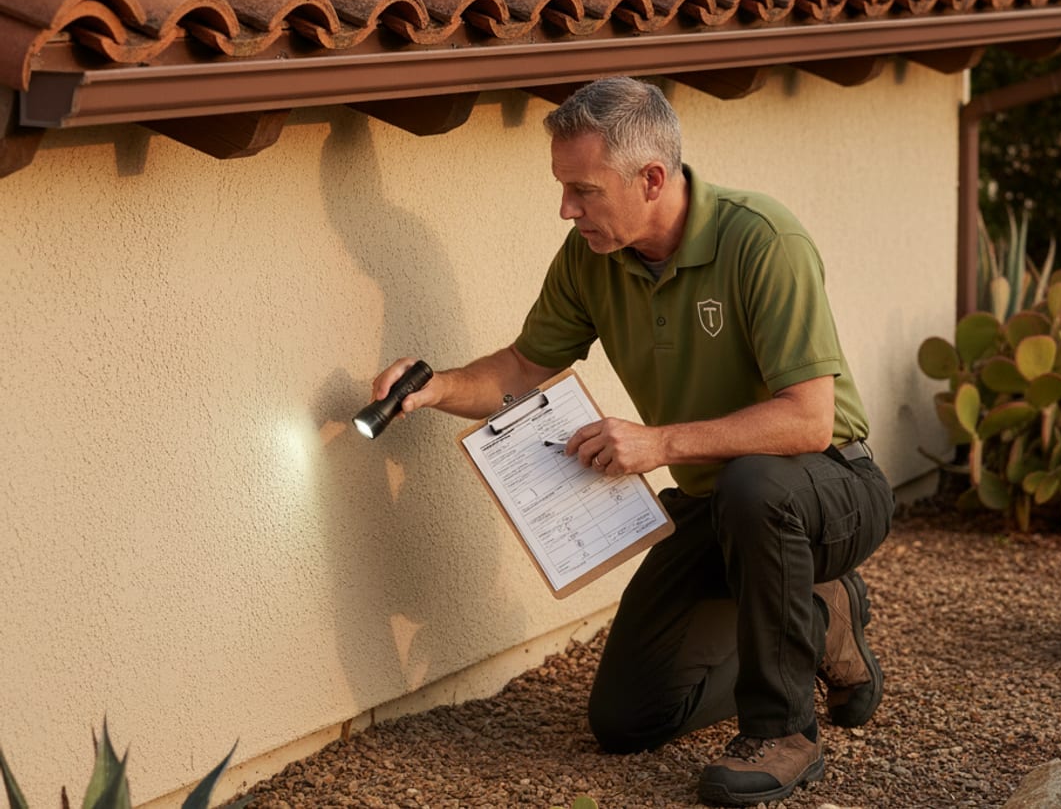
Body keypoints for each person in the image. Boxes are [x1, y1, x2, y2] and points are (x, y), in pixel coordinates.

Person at [370, 76, 894, 806]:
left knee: (754, 485)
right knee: (626, 718)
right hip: (724, 510)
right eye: (563, 188)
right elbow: (524, 367)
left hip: (828, 488)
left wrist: (659, 443)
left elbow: (808, 418)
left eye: (583, 189)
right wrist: (435, 390)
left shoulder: (762, 240)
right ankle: (809, 612)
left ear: (652, 178)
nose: (566, 208)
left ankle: (784, 734)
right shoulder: (591, 258)